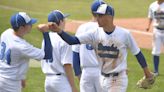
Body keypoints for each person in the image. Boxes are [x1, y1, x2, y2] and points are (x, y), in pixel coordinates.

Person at [38, 4, 154, 92]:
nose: (96, 18)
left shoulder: (124, 34)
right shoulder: (94, 33)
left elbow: (138, 54)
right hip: (102, 79)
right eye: (96, 15)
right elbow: (73, 41)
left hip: (117, 79)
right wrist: (59, 31)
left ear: (109, 17)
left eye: (100, 16)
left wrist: (147, 73)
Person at [0, 12, 51, 92]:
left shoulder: (6, 33)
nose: (31, 25)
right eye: (29, 24)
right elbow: (47, 55)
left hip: (2, 77)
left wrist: (22, 77)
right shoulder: (21, 46)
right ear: (21, 27)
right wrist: (45, 32)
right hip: (10, 84)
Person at [38, 10, 78, 92]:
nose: (65, 22)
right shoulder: (64, 40)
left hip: (48, 81)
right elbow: (67, 65)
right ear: (60, 21)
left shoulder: (46, 38)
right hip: (60, 82)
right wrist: (73, 87)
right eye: (64, 20)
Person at [72, 1, 105, 92]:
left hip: (86, 73)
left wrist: (79, 75)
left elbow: (75, 54)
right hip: (102, 73)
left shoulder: (81, 28)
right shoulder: (105, 29)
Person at [146, 0, 164, 76]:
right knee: (156, 50)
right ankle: (156, 71)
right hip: (156, 31)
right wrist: (148, 26)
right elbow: (150, 17)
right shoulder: (152, 5)